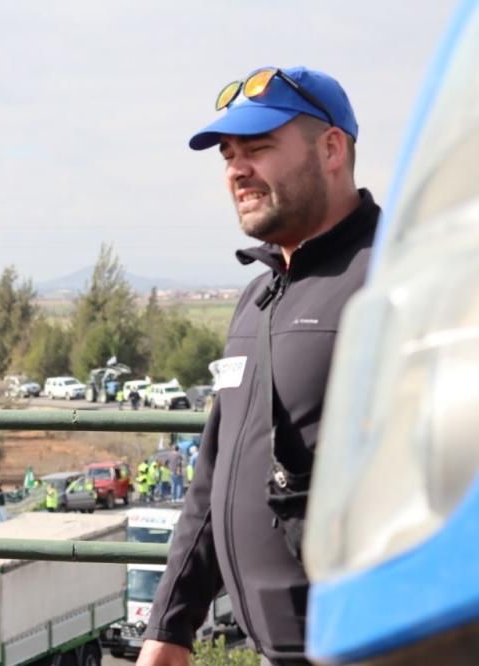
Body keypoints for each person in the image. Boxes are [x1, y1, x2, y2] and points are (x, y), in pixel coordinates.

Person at [136, 67, 379, 666]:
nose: (236, 171)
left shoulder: (398, 277)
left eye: (259, 148)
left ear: (331, 149)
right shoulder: (258, 298)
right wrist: (167, 630)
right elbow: (215, 471)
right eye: (228, 155)